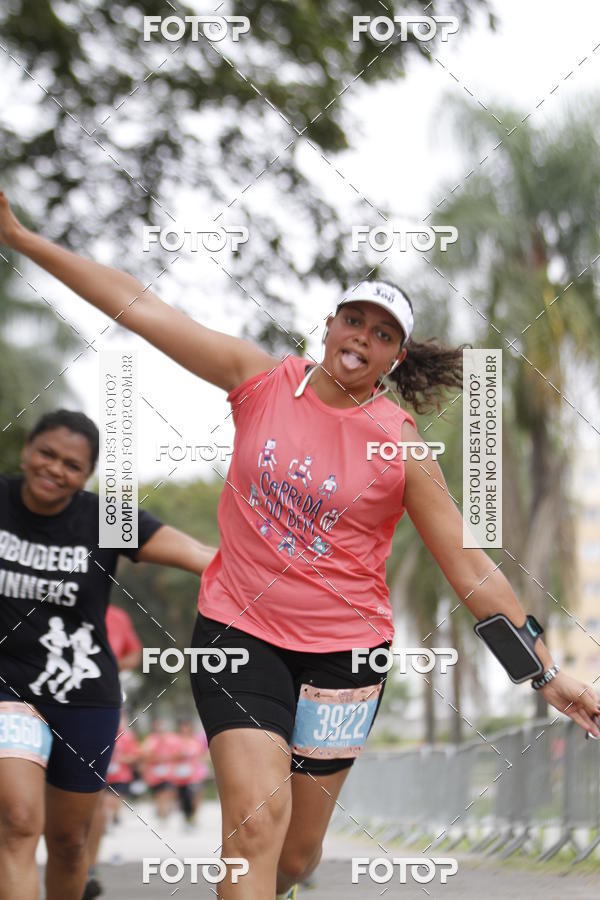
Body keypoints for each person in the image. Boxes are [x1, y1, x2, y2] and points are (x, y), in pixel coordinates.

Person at [0, 191, 599, 900]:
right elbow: (143, 308)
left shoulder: (400, 444)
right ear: (329, 325)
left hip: (346, 653)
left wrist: (544, 673)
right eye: (354, 319)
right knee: (256, 826)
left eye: (381, 333)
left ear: (395, 356)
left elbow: (469, 566)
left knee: (294, 856)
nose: (362, 336)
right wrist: (23, 238)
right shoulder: (261, 383)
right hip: (238, 631)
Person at [0, 403, 216, 900]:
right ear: (27, 450)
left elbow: (203, 558)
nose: (54, 469)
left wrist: (288, 578)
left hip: (84, 693)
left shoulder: (106, 518)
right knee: (17, 822)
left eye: (72, 465)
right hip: (9, 686)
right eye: (46, 454)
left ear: (88, 475)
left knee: (71, 842)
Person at [82, 605, 143, 900]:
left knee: (95, 798)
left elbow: (135, 653)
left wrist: (107, 665)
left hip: (95, 708)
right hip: (37, 704)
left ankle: (87, 869)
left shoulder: (116, 615)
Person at [172, 718, 210, 827]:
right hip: (180, 774)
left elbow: (205, 753)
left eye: (187, 726)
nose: (184, 729)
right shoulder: (175, 741)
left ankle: (193, 816)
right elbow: (170, 756)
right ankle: (187, 816)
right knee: (184, 797)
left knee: (195, 794)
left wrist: (201, 760)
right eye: (182, 727)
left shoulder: (197, 740)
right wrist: (180, 756)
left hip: (196, 773)